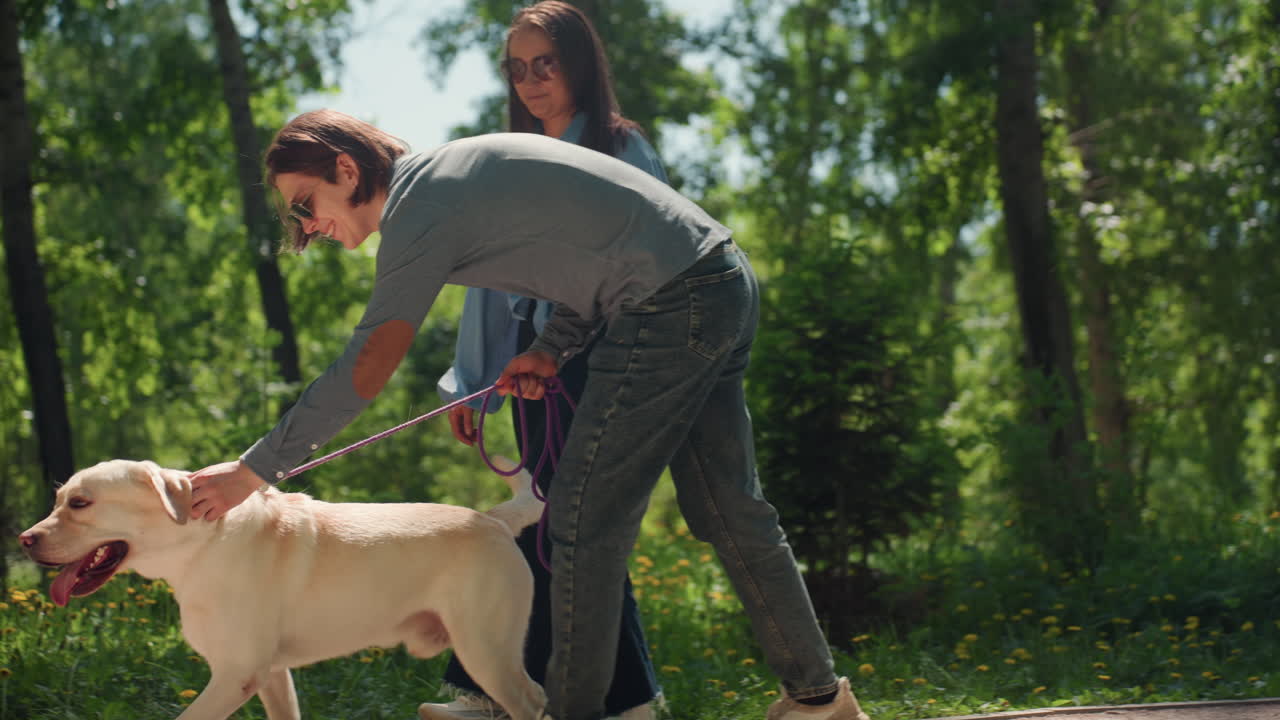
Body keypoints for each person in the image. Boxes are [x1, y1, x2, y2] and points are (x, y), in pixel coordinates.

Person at [187, 107, 870, 720]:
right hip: (716, 279)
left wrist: (253, 471)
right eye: (297, 218)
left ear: (345, 166)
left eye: (307, 204)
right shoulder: (450, 177)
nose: (309, 227)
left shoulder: (419, 208)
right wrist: (551, 348)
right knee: (729, 509)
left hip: (669, 303)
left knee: (579, 521)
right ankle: (820, 701)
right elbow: (601, 256)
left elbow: (368, 367)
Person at [428, 3, 664, 720]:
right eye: (518, 68)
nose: (531, 81)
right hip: (535, 380)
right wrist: (471, 388)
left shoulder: (624, 149)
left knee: (577, 531)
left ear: (580, 65)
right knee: (547, 526)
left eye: (546, 64)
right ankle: (505, 692)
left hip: (605, 369)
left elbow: (653, 265)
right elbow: (493, 285)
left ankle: (594, 701)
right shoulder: (512, 162)